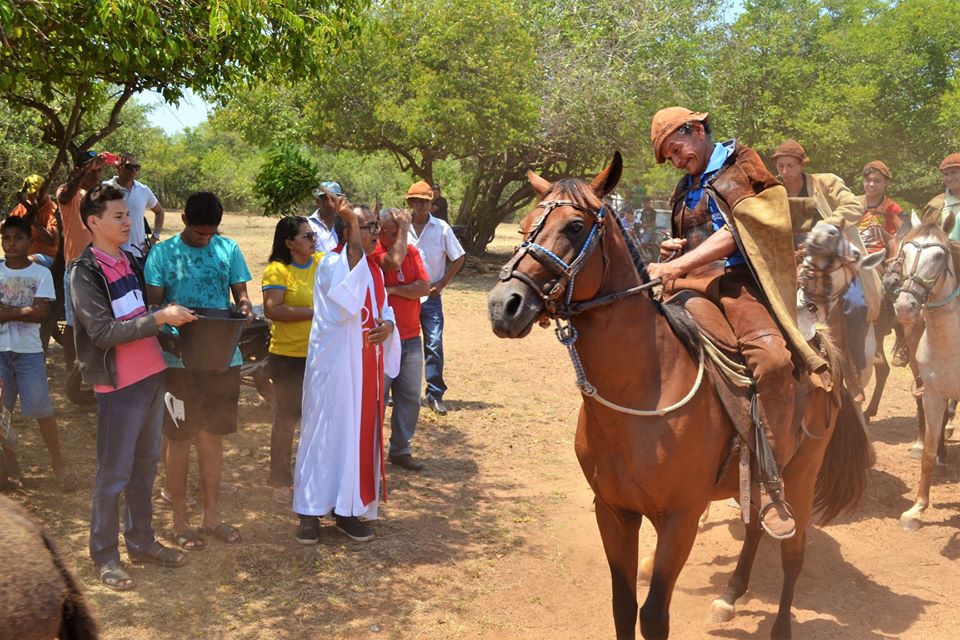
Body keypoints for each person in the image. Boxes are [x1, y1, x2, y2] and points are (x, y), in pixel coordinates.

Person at [646, 108, 825, 539]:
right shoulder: (685, 184)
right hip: (691, 282)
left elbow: (738, 232)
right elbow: (695, 233)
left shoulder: (743, 164)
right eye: (669, 155)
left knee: (773, 362)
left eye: (677, 148)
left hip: (740, 283)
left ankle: (773, 480)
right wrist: (676, 247)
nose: (676, 160)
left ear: (697, 131)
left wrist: (683, 261)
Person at [71, 184, 196, 590]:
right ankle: (105, 555)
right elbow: (104, 332)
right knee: (113, 475)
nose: (130, 222)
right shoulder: (84, 271)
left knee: (144, 469)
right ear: (94, 222)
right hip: (119, 386)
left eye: (129, 214)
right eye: (119, 216)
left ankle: (141, 542)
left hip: (151, 376)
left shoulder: (129, 259)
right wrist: (160, 319)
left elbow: (138, 311)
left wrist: (162, 319)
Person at [145, 191, 252, 550]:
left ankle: (211, 517)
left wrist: (245, 306)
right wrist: (168, 329)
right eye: (199, 234)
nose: (205, 240)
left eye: (211, 234)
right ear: (185, 222)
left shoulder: (228, 249)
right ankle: (179, 521)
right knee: (180, 441)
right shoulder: (163, 254)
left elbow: (241, 294)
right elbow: (153, 305)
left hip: (223, 358)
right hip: (180, 361)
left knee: (212, 439)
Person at [294, 199, 399, 545]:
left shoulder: (376, 271)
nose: (376, 233)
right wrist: (349, 220)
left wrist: (387, 327)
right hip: (335, 367)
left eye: (374, 226)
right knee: (325, 435)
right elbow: (348, 302)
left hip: (366, 367)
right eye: (368, 227)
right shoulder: (331, 265)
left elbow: (383, 311)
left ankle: (347, 510)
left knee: (355, 439)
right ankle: (309, 512)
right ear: (348, 231)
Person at [772, 139, 880, 400]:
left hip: (834, 258)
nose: (785, 172)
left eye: (790, 166)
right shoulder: (773, 191)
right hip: (791, 261)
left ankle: (853, 370)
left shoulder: (826, 182)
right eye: (780, 166)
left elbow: (853, 206)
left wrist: (828, 224)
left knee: (855, 304)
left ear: (802, 164)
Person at [0, 216, 74, 490]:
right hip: (1, 354)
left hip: (30, 353)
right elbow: (32, 311)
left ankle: (58, 465)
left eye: (18, 238)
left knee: (43, 412)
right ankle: (12, 469)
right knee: (1, 415)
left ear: (30, 242)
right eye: (6, 238)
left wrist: (6, 312)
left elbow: (42, 314)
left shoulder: (41, 274)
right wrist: (25, 310)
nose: (11, 243)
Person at [261, 216, 322, 504]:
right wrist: (316, 311)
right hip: (287, 357)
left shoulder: (321, 262)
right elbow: (273, 310)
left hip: (319, 356)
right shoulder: (278, 270)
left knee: (316, 419)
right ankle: (279, 478)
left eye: (313, 235)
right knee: (287, 418)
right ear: (289, 242)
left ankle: (311, 474)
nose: (313, 240)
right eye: (307, 236)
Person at [372, 208, 430, 471]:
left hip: (410, 335)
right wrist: (405, 230)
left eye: (396, 232)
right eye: (389, 232)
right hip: (384, 339)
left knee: (409, 396)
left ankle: (400, 449)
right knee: (378, 397)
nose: (393, 237)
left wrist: (392, 290)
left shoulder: (413, 253)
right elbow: (392, 263)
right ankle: (370, 449)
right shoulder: (374, 252)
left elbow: (424, 287)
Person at [406, 180, 466, 416]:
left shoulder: (441, 228)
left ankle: (435, 394)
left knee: (433, 343)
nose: (421, 206)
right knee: (399, 345)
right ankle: (395, 391)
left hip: (431, 296)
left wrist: (441, 284)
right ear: (410, 203)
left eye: (426, 201)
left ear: (432, 203)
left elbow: (459, 257)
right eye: (417, 201)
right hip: (405, 296)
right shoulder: (401, 227)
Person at [57, 150, 104, 370]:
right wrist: (85, 168)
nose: (96, 174)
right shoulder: (68, 193)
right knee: (73, 322)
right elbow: (65, 194)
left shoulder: (97, 197)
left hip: (101, 266)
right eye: (91, 169)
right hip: (77, 266)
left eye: (99, 170)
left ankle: (92, 370)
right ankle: (72, 374)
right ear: (79, 170)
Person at [102, 153, 165, 257]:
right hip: (111, 254)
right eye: (128, 167)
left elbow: (160, 211)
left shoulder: (143, 190)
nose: (133, 171)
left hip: (138, 254)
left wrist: (154, 239)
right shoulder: (105, 188)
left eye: (136, 167)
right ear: (117, 167)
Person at [7, 174, 59, 268]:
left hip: (48, 257)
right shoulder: (23, 207)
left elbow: (52, 241)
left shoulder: (52, 210)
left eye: (34, 193)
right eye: (28, 194)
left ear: (44, 191)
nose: (30, 197)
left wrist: (33, 220)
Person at [920, 152, 960, 232]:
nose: (950, 178)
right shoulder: (935, 205)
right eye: (946, 174)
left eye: (954, 172)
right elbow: (924, 237)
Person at [306, 181, 345, 252]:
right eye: (327, 199)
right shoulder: (307, 225)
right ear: (318, 201)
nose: (331, 203)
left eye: (334, 199)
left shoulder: (344, 224)